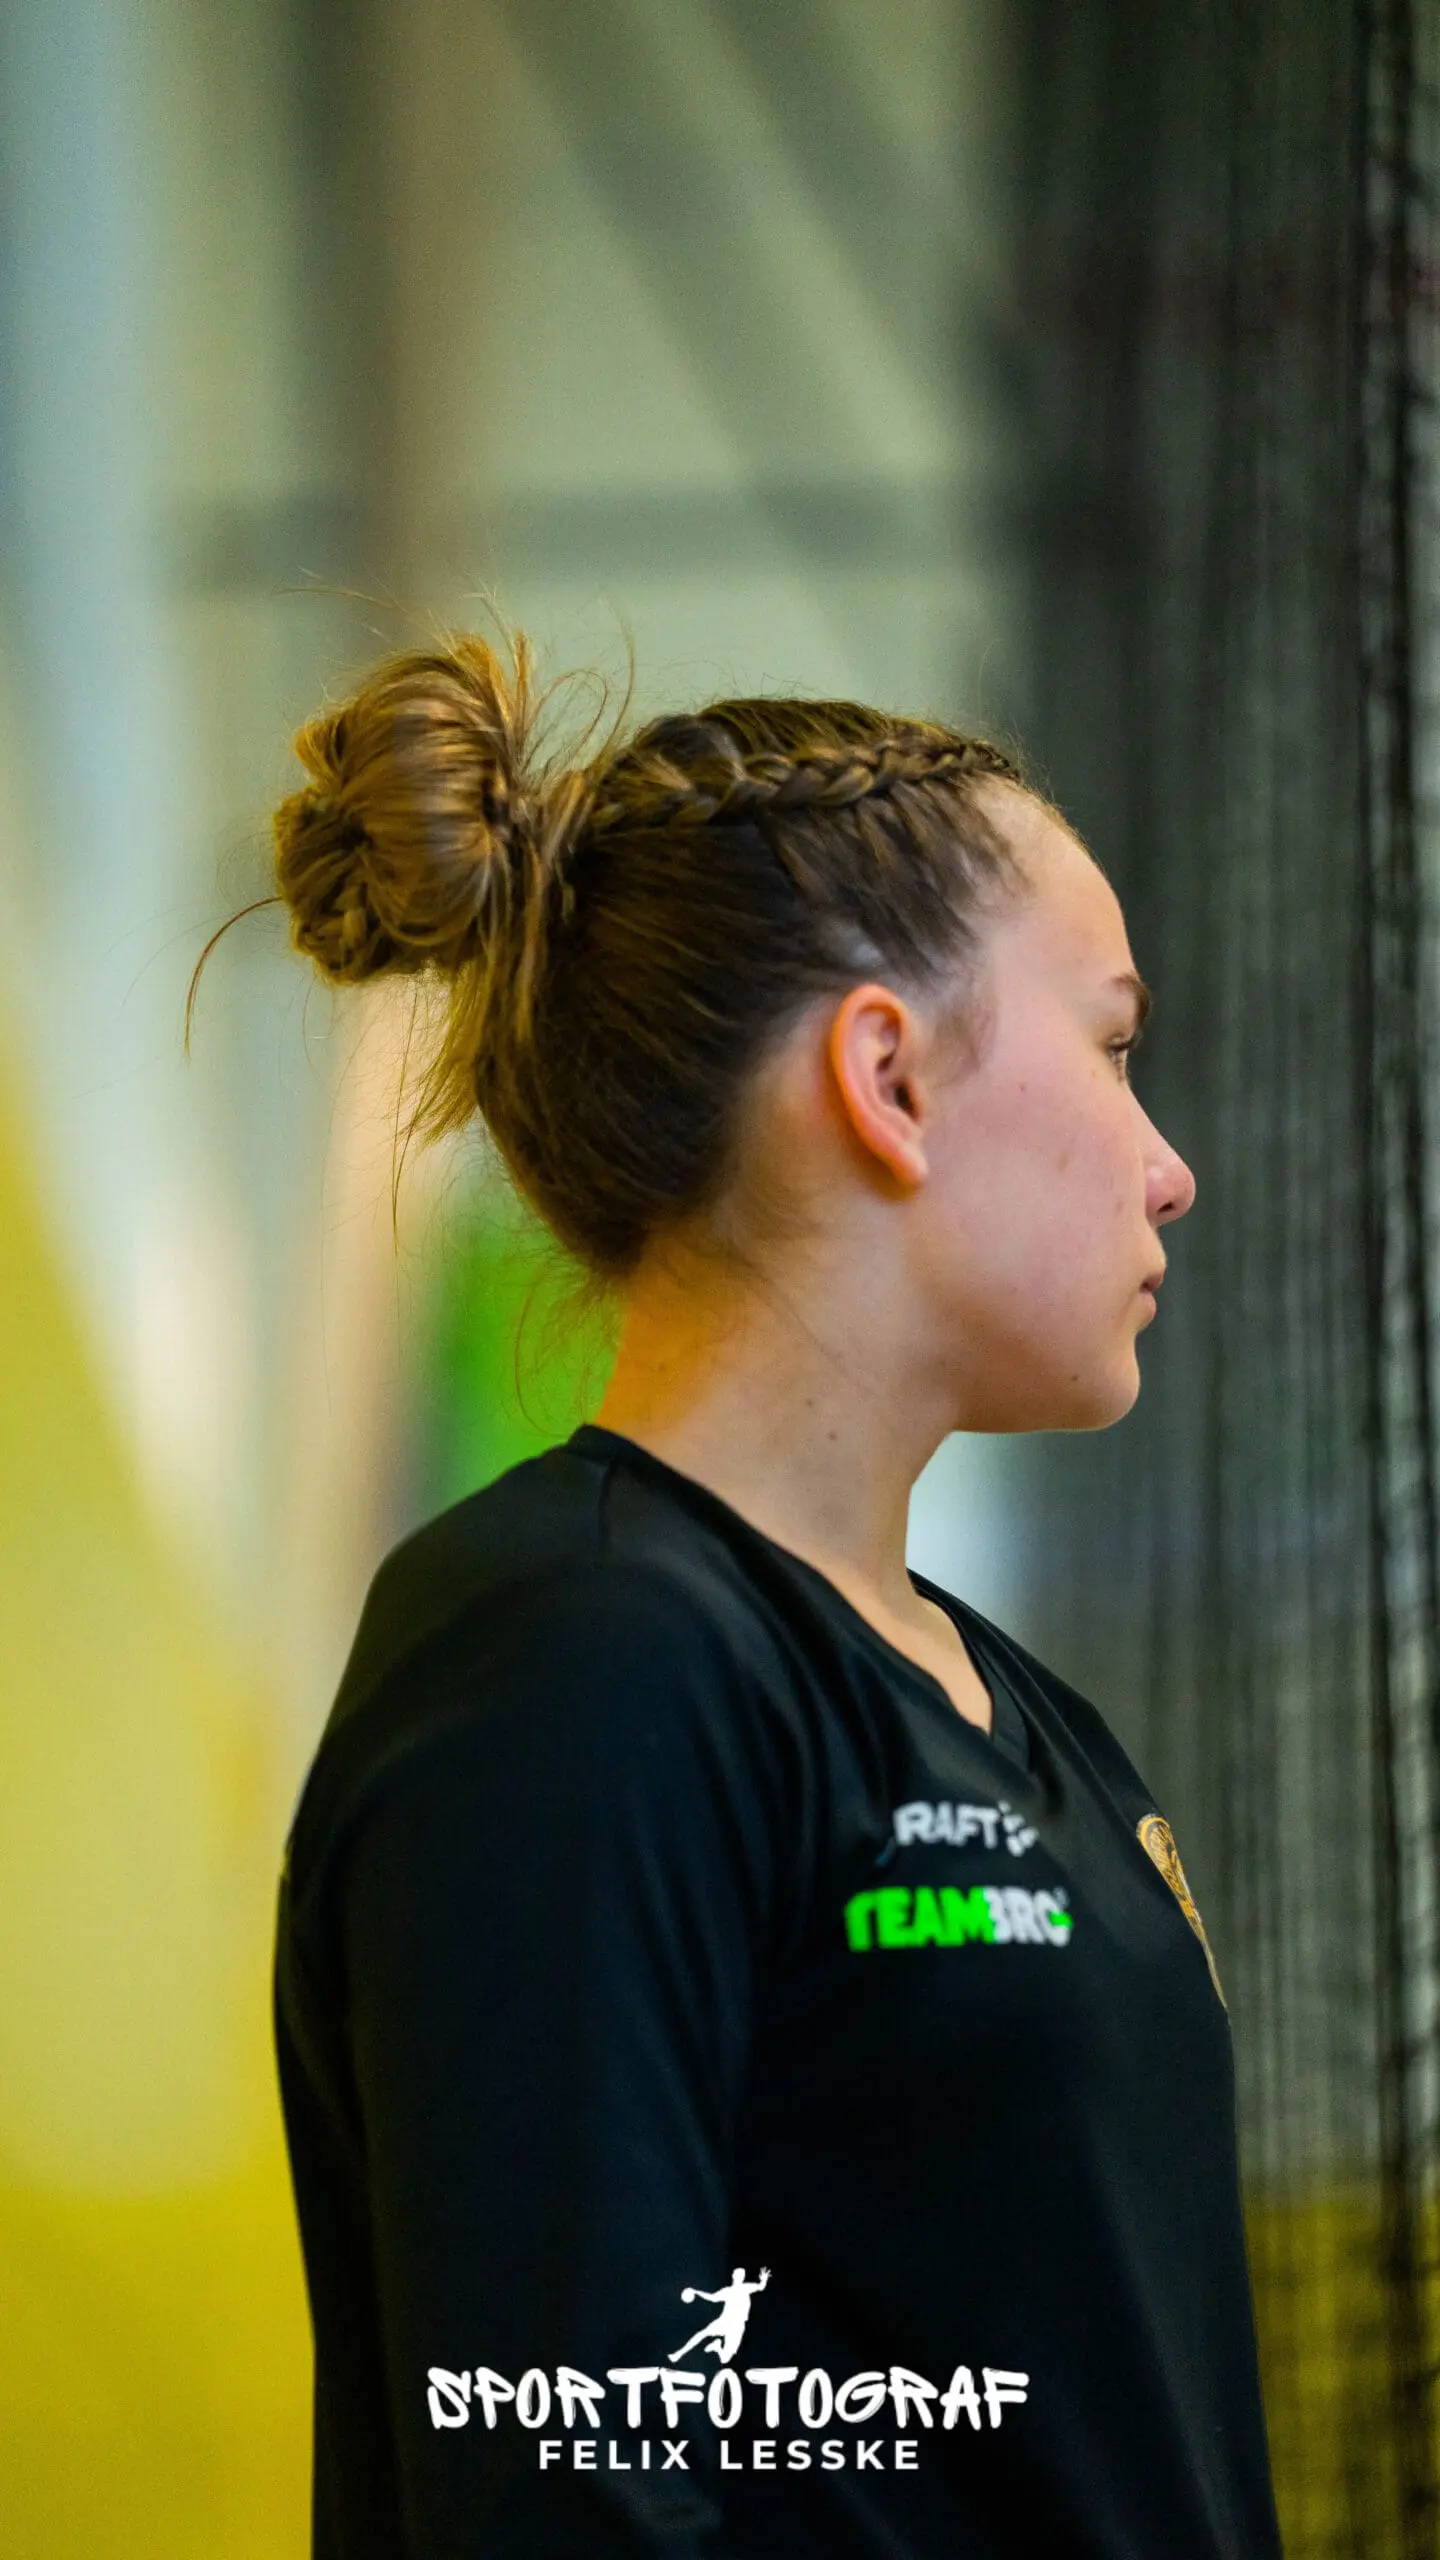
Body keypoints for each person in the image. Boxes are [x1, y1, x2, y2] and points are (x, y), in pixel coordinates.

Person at [244, 632, 1282, 2557]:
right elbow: (567, 2499)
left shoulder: (1030, 1722)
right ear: (886, 1077)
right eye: (1115, 1044)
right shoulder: (577, 1655)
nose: (1170, 1172)